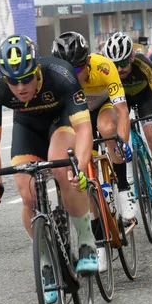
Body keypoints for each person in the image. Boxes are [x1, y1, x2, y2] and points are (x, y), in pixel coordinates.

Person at [0, 35, 98, 303]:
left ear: (37, 69)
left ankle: (85, 239)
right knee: (28, 195)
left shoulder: (60, 73)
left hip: (61, 122)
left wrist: (79, 167)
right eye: (13, 81)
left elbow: (83, 128)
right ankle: (45, 262)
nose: (20, 87)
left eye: (26, 78)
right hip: (28, 127)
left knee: (63, 171)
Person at [51, 31, 137, 223]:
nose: (74, 75)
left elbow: (122, 111)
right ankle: (96, 196)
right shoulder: (56, 79)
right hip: (79, 114)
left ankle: (123, 187)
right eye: (68, 70)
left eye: (78, 68)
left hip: (103, 105)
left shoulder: (105, 67)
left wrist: (122, 143)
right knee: (83, 155)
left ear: (88, 61)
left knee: (106, 128)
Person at [104, 31, 152, 216]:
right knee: (118, 135)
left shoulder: (144, 64)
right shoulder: (106, 70)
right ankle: (128, 175)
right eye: (115, 65)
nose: (119, 69)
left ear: (132, 56)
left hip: (145, 98)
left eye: (123, 63)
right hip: (122, 101)